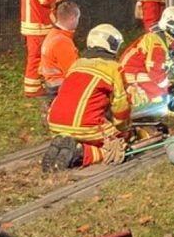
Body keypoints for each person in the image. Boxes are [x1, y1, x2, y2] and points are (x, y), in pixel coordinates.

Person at [42, 24, 131, 171]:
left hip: (55, 122)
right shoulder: (114, 68)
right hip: (86, 125)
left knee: (91, 133)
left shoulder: (77, 64)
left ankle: (64, 144)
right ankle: (81, 153)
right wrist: (123, 130)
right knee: (116, 147)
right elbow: (120, 106)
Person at [20, 0, 73, 98]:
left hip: (39, 22)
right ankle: (32, 89)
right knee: (37, 56)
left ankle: (37, 85)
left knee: (39, 55)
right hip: (38, 24)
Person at [119, 6, 174, 110]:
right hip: (131, 75)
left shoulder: (167, 39)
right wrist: (169, 87)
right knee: (158, 92)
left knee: (162, 88)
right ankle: (134, 103)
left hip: (137, 72)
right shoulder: (157, 42)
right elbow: (154, 70)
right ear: (171, 26)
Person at [40, 0, 80, 96]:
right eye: (78, 18)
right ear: (72, 18)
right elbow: (73, 73)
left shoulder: (53, 34)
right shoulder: (63, 42)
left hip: (51, 85)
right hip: (60, 89)